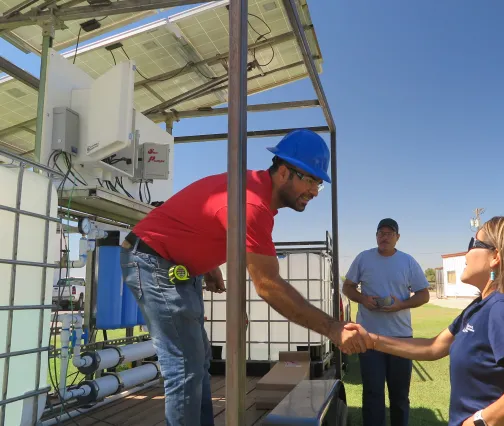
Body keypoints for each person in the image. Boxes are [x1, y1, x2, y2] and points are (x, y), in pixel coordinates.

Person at [119, 129, 372, 426]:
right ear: (283, 172)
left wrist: (209, 267)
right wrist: (332, 327)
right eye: (310, 179)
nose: (315, 191)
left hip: (178, 268)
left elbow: (204, 224)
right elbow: (268, 285)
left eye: (319, 183)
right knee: (184, 367)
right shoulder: (252, 203)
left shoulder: (251, 192)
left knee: (197, 362)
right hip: (153, 262)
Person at [347, 216, 504, 426]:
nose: (467, 253)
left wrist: (477, 422)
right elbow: (434, 347)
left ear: (496, 257)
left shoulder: (503, 308)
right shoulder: (480, 306)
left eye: (474, 244)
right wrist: (372, 340)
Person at [342, 218, 430, 426]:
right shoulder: (363, 258)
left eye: (390, 233)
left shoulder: (408, 261)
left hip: (401, 338)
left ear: (397, 238)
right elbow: (347, 287)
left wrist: (400, 305)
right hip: (368, 337)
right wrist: (363, 299)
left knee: (399, 395)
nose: (385, 237)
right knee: (373, 393)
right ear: (376, 237)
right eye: (381, 233)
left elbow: (424, 294)